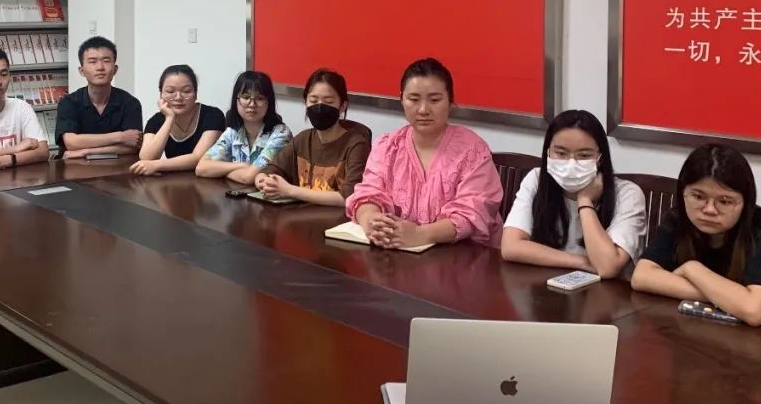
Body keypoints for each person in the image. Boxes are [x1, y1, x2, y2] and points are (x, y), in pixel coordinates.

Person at [631, 143, 761, 330]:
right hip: (720, 335)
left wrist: (692, 269)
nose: (709, 209)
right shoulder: (678, 219)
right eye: (698, 196)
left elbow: (753, 310)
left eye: (724, 201)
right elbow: (642, 277)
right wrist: (727, 299)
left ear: (745, 203)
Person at [346, 58, 502, 248]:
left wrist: (422, 234)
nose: (423, 110)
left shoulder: (473, 150)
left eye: (435, 100)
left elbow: (473, 211)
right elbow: (369, 192)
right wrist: (371, 219)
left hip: (465, 255)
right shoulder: (387, 146)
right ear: (401, 99)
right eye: (413, 99)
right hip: (401, 252)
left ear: (450, 101)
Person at [499, 110, 646, 279]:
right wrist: (582, 262)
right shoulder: (536, 179)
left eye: (584, 155)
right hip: (547, 284)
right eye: (561, 153)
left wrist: (585, 200)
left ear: (600, 158)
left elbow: (606, 267)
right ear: (548, 153)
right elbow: (511, 247)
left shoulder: (628, 194)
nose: (571, 163)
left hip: (607, 292)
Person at [255, 68, 371, 207]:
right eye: (313, 100)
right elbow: (269, 170)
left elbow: (349, 197)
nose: (320, 106)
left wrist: (290, 191)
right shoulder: (302, 139)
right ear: (305, 102)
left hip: (336, 219)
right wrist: (264, 182)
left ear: (342, 106)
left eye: (328, 101)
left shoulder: (357, 144)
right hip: (299, 216)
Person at [195, 71, 292, 184]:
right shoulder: (233, 132)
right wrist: (241, 166)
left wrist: (220, 171)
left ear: (269, 102)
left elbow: (249, 177)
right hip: (237, 193)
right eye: (246, 97)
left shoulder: (280, 134)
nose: (252, 104)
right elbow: (201, 168)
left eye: (260, 98)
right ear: (236, 100)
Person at [55, 37, 143, 159]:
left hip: (119, 168)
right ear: (81, 71)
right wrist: (120, 137)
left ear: (115, 69)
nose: (100, 67)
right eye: (92, 62)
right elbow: (71, 142)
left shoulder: (130, 103)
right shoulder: (69, 102)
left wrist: (86, 152)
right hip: (76, 168)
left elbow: (132, 146)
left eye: (106, 61)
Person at [129, 64, 225, 176]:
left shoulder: (213, 115)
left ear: (196, 94)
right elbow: (147, 157)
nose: (178, 97)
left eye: (186, 91)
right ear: (161, 95)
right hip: (173, 181)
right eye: (170, 91)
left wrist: (157, 165)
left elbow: (198, 158)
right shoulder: (156, 120)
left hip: (209, 181)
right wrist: (170, 119)